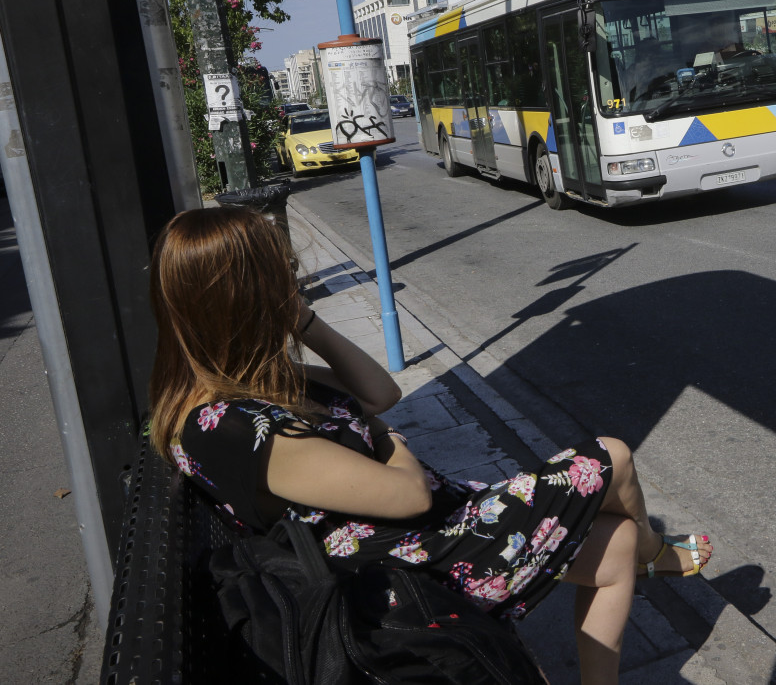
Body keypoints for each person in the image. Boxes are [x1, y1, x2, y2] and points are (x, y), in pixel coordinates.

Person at [148, 207, 712, 685]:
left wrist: (309, 324)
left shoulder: (256, 384)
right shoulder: (230, 425)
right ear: (244, 298)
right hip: (406, 569)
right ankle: (657, 555)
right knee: (609, 457)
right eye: (282, 277)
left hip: (425, 533)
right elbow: (409, 493)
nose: (295, 282)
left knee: (613, 544)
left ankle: (639, 563)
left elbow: (380, 391)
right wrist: (387, 437)